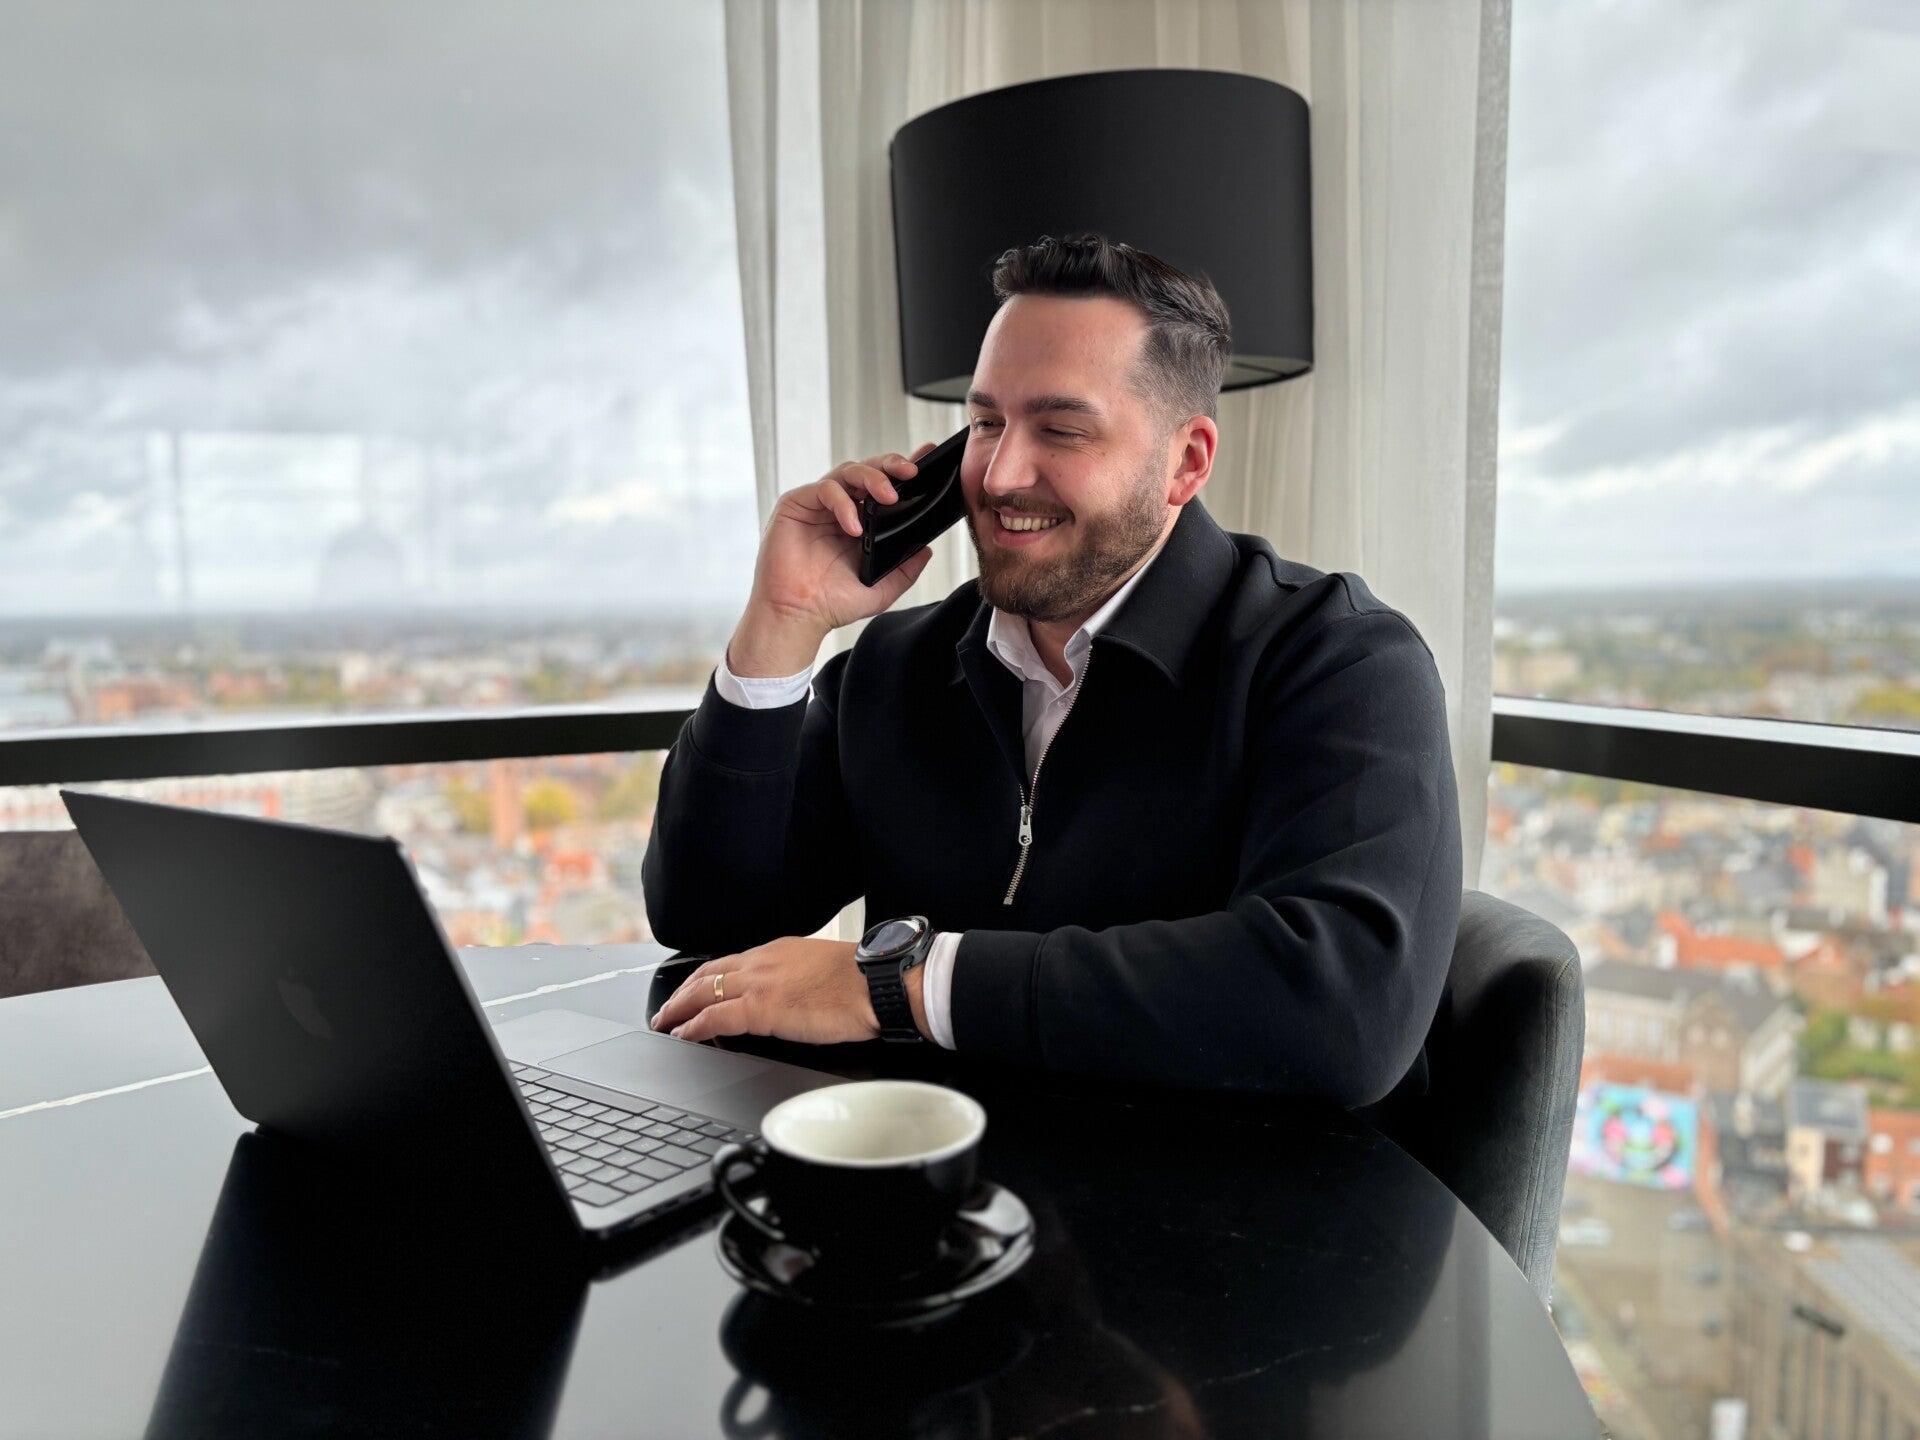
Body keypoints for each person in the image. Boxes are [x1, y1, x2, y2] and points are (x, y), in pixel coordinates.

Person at [644, 234, 1460, 1107]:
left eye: (1061, 430)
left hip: (1231, 1187)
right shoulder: (896, 665)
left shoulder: (1342, 661)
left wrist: (903, 983)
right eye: (986, 423)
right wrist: (780, 625)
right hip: (939, 1167)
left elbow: (1341, 1011)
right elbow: (706, 918)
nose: (1000, 475)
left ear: (1185, 461)